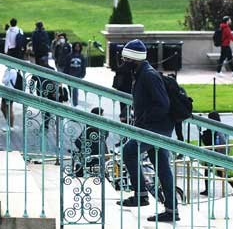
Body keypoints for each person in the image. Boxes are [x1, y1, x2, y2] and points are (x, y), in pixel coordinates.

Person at [118, 39, 179, 223]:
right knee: (162, 167)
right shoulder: (140, 72)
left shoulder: (148, 75)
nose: (122, 62)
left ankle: (141, 195)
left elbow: (163, 104)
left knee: (129, 151)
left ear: (133, 59)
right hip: (155, 127)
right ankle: (171, 209)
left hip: (155, 128)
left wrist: (143, 121)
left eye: (125, 59)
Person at [199, 111, 233, 197]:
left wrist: (202, 135)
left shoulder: (213, 128)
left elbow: (208, 141)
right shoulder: (221, 127)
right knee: (210, 171)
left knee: (216, 172)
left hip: (215, 153)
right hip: (218, 153)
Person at [72, 107, 108, 177]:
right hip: (97, 157)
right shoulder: (94, 128)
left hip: (95, 157)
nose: (103, 117)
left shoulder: (92, 127)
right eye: (102, 115)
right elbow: (78, 142)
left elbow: (78, 142)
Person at [65, 42, 87, 106]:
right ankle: (73, 102)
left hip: (77, 76)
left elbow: (83, 66)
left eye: (78, 46)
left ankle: (75, 104)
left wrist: (83, 74)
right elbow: (67, 66)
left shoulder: (81, 56)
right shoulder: (69, 56)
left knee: (75, 91)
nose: (77, 48)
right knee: (70, 90)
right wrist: (65, 74)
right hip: (70, 75)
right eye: (76, 46)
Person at [1, 66, 18, 131]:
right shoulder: (9, 70)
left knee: (9, 108)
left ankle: (10, 126)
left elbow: (4, 80)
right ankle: (9, 124)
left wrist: (5, 75)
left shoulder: (12, 71)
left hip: (10, 92)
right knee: (3, 108)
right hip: (6, 91)